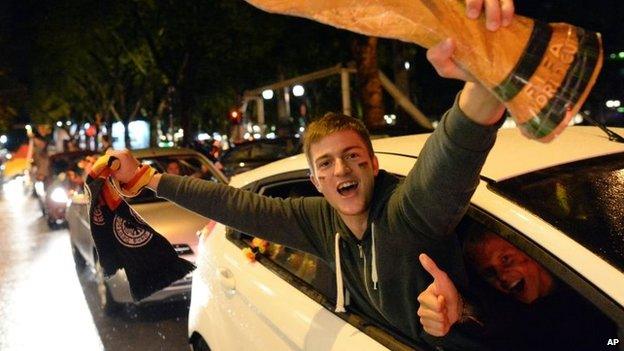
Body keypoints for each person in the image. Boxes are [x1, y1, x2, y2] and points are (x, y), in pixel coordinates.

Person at [107, 1, 513, 348]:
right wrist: (146, 178)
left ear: (373, 165)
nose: (341, 169)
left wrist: (489, 70)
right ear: (317, 181)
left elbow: (454, 149)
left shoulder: (409, 210)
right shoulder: (318, 221)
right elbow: (233, 204)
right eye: (326, 163)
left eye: (353, 156)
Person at [417, 222, 618, 350]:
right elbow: (492, 319)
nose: (502, 278)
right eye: (490, 273)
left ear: (532, 250)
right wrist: (460, 310)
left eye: (506, 260)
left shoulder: (591, 274)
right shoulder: (519, 317)